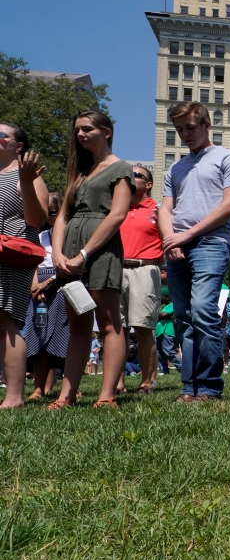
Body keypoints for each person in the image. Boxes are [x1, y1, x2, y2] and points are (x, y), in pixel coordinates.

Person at [158, 101, 230, 403]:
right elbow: (165, 209)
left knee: (202, 311)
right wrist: (171, 239)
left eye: (190, 127)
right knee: (183, 316)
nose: (184, 134)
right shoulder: (176, 167)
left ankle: (209, 386)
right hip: (178, 245)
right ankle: (189, 387)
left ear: (207, 125)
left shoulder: (228, 158)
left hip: (211, 243)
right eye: (179, 129)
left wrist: (188, 234)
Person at [48, 111, 134, 409]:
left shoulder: (121, 168)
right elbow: (63, 216)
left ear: (106, 132)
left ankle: (107, 395)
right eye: (78, 130)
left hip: (102, 251)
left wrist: (85, 254)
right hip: (69, 252)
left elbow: (118, 214)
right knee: (78, 323)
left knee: (109, 322)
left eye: (87, 129)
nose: (81, 134)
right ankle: (65, 396)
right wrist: (58, 254)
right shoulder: (79, 171)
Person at [0, 122, 49, 409]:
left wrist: (28, 181)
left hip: (10, 258)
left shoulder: (26, 176)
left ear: (18, 146)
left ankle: (14, 396)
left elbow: (37, 220)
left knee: (6, 321)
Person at [116, 165, 162, 396]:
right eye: (129, 175)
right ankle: (118, 382)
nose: (132, 178)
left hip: (145, 269)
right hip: (116, 269)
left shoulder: (158, 210)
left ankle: (146, 382)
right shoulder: (117, 209)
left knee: (143, 327)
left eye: (137, 175)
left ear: (149, 184)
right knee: (117, 329)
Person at [25, 193, 69, 401]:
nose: (49, 216)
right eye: (45, 212)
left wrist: (47, 282)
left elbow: (67, 265)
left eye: (52, 212)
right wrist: (35, 284)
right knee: (39, 335)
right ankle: (38, 388)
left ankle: (70, 387)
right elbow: (35, 262)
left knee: (63, 336)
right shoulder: (41, 236)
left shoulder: (68, 234)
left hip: (60, 287)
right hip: (40, 295)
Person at [156, 287, 182, 374]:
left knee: (169, 351)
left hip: (167, 331)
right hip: (159, 332)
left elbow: (163, 315)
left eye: (161, 296)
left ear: (168, 297)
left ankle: (181, 367)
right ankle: (163, 370)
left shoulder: (172, 305)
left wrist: (156, 311)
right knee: (159, 353)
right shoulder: (164, 307)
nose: (159, 298)